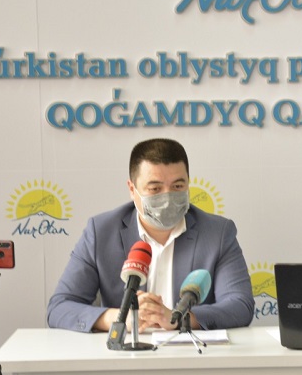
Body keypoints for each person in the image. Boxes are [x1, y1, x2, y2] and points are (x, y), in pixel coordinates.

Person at [47, 138, 255, 333]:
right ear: (132, 189)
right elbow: (60, 307)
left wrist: (179, 318)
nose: (168, 197)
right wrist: (120, 318)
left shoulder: (218, 233)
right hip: (124, 354)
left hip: (192, 354)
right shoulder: (101, 232)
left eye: (178, 186)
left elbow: (240, 306)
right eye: (155, 188)